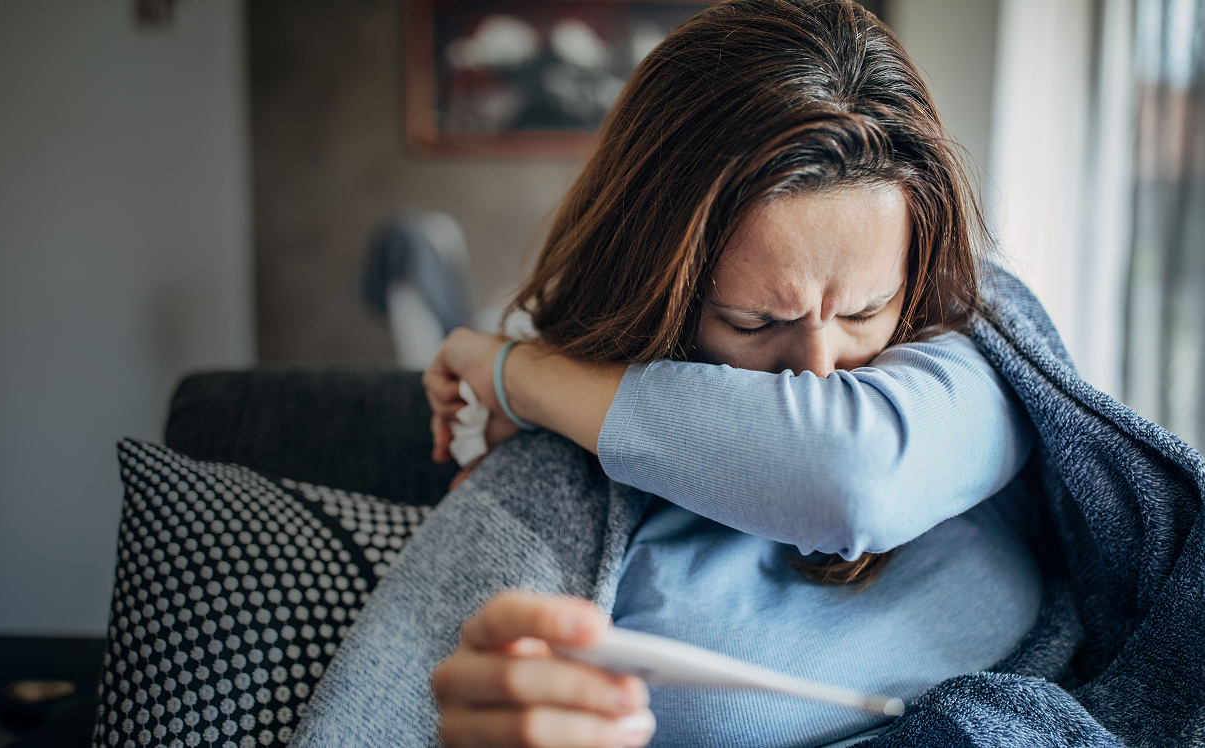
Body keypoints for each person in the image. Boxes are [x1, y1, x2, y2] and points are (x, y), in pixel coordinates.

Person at [420, 2, 1043, 747]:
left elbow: (849, 473)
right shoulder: (560, 473)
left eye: (864, 311)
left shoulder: (973, 357)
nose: (818, 373)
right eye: (753, 323)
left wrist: (518, 375)